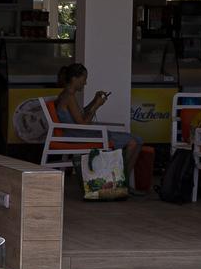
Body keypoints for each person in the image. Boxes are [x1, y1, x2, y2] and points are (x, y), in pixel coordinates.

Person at [54, 62, 144, 191]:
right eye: (84, 79)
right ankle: (122, 182)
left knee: (138, 140)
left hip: (79, 133)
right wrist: (97, 106)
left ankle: (122, 181)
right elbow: (83, 124)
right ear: (74, 78)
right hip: (79, 135)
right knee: (135, 142)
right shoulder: (69, 96)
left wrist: (94, 101)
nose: (85, 83)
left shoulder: (67, 95)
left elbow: (80, 116)